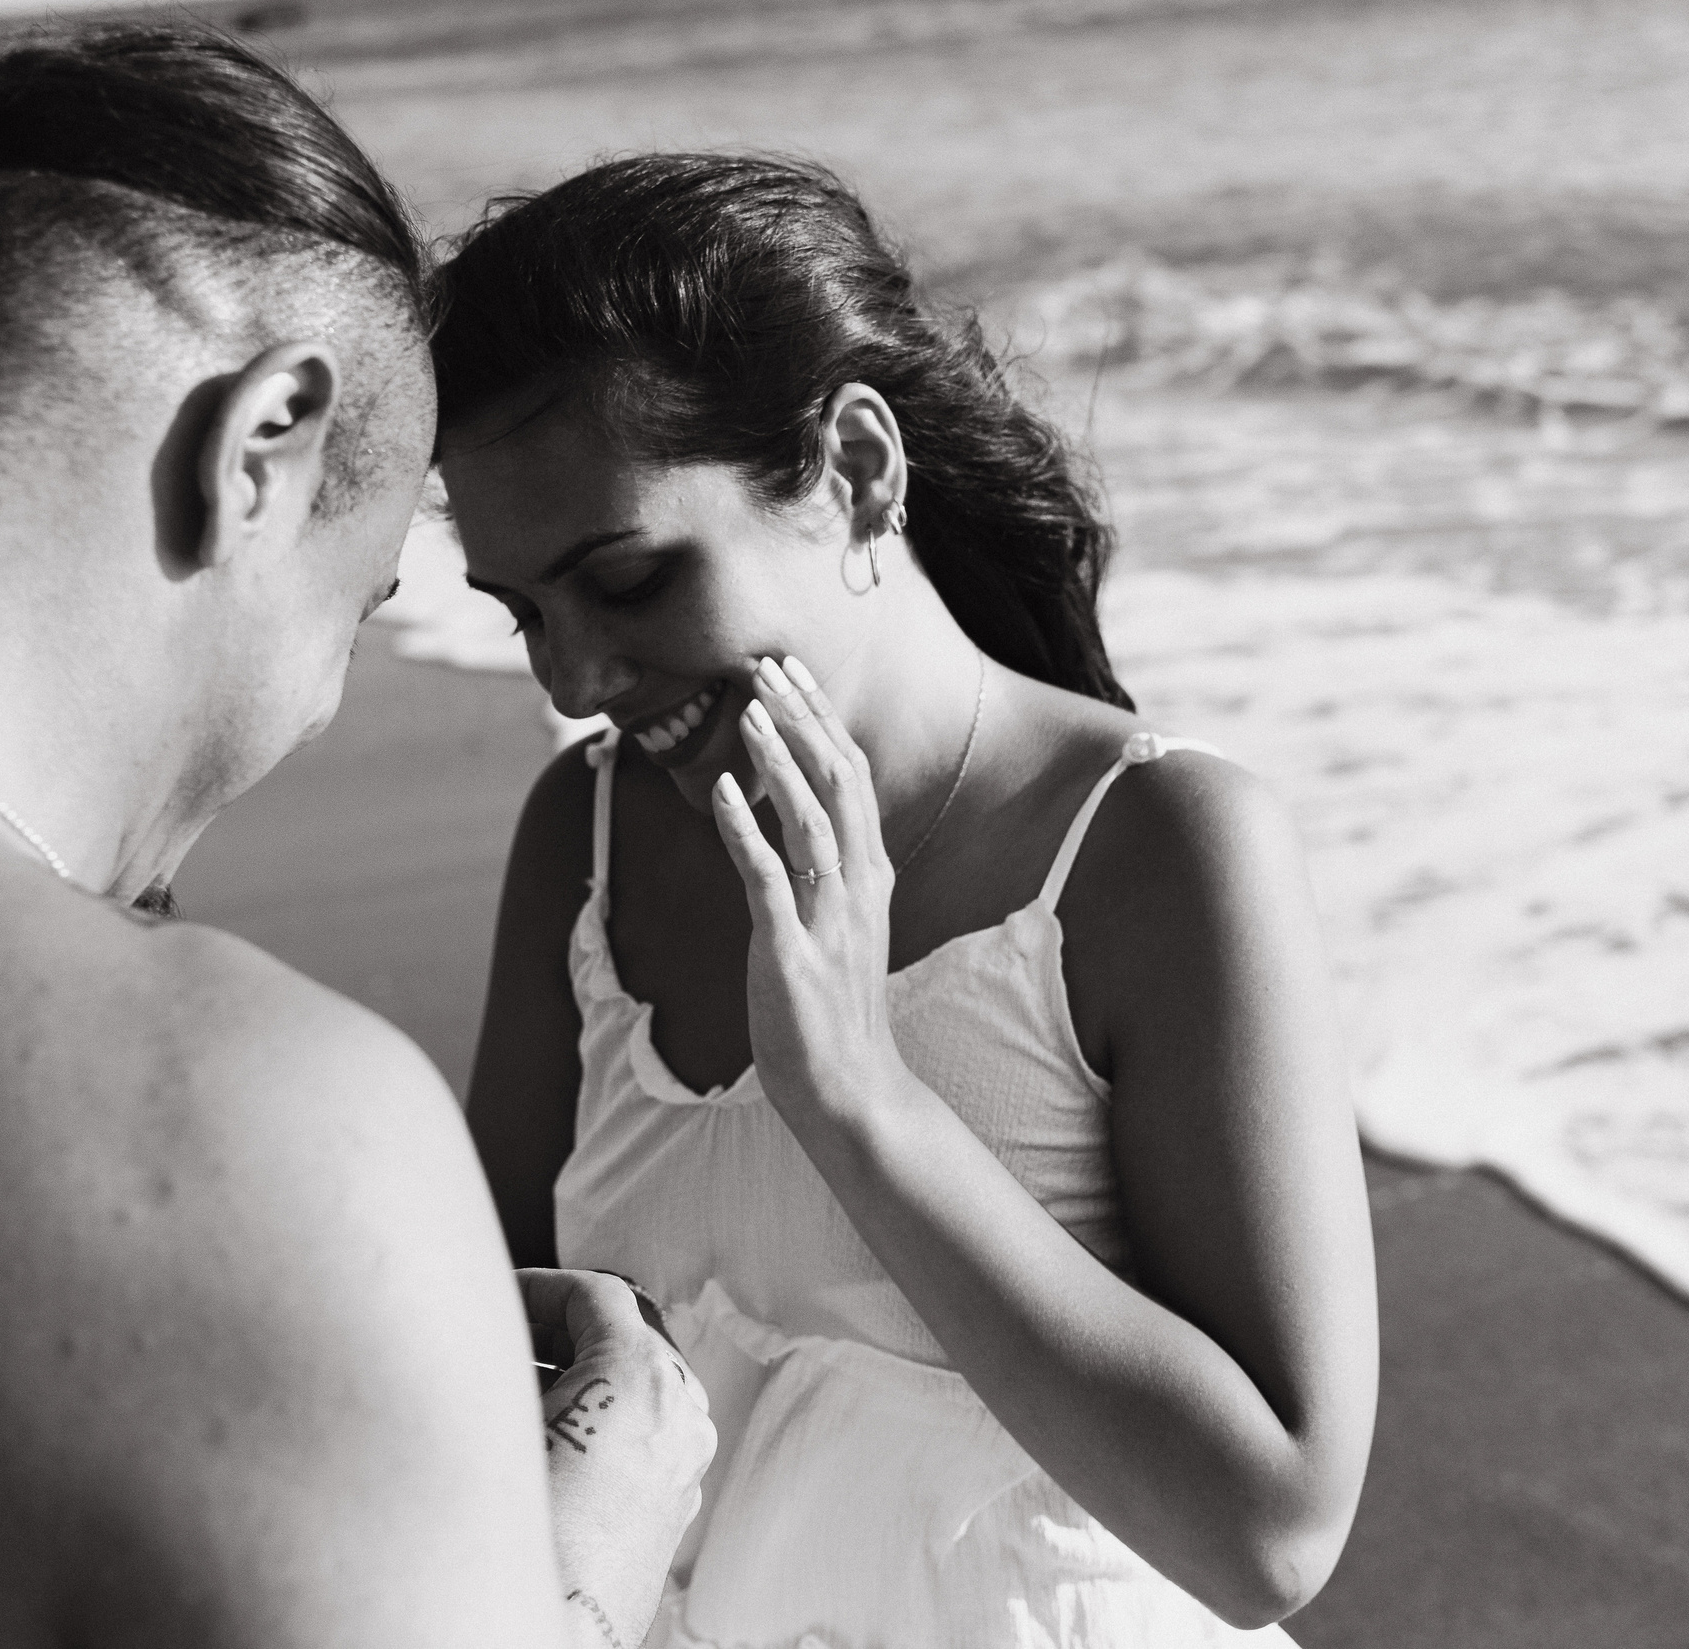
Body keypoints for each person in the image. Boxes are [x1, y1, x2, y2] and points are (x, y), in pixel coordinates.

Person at [0, 0, 710, 1646]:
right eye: (358, 612)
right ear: (265, 442)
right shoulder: (244, 1126)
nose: (321, 699)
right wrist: (583, 1554)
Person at [440, 153, 1380, 1646]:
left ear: (857, 472)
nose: (572, 681)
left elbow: (1270, 1532)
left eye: (624, 580)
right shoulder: (589, 837)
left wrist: (862, 1099)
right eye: (523, 613)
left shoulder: (1149, 849)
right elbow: (479, 1351)